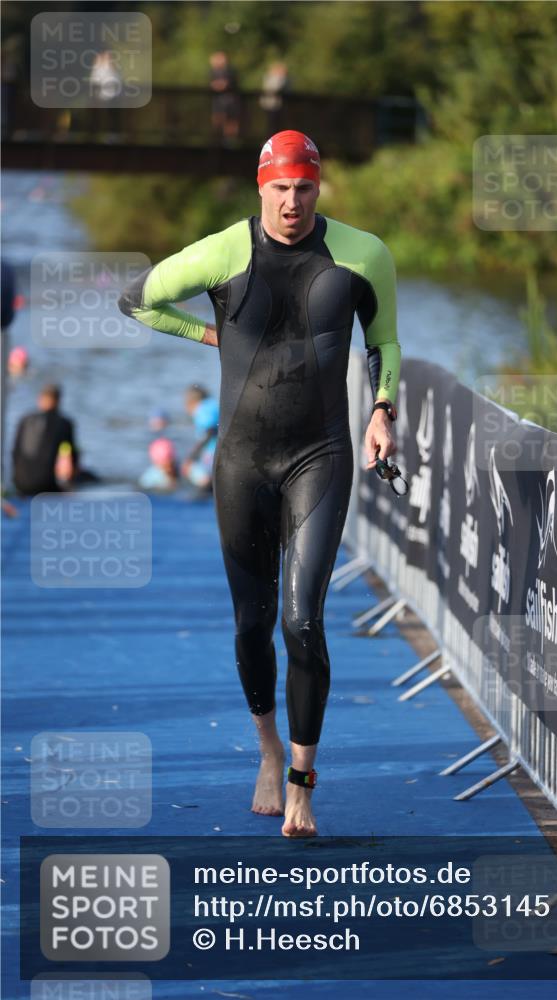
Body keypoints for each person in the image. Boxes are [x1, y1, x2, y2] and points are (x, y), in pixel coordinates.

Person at [118, 129, 401, 837]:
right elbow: (136, 300)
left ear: (318, 187)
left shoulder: (363, 254)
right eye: (280, 189)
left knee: (303, 620)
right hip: (242, 462)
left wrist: (381, 410)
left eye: (304, 188)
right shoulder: (223, 252)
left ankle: (302, 782)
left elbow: (384, 341)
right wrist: (207, 335)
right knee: (253, 623)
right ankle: (269, 749)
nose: (292, 203)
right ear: (260, 188)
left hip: (320, 455)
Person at [11, 384, 79, 496]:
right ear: (58, 401)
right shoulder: (64, 423)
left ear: (40, 399)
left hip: (20, 484)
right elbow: (72, 457)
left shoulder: (24, 420)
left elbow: (15, 453)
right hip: (45, 485)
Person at [182, 385, 219, 490]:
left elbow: (209, 432)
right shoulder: (213, 404)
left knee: (191, 470)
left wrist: (191, 457)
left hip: (214, 453)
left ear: (191, 402)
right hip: (222, 450)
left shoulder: (202, 409)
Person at [209, 51, 240, 141]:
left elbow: (225, 85)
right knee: (218, 121)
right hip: (218, 102)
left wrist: (220, 85)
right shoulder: (213, 72)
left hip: (230, 102)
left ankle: (230, 141)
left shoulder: (230, 71)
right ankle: (217, 140)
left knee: (230, 123)